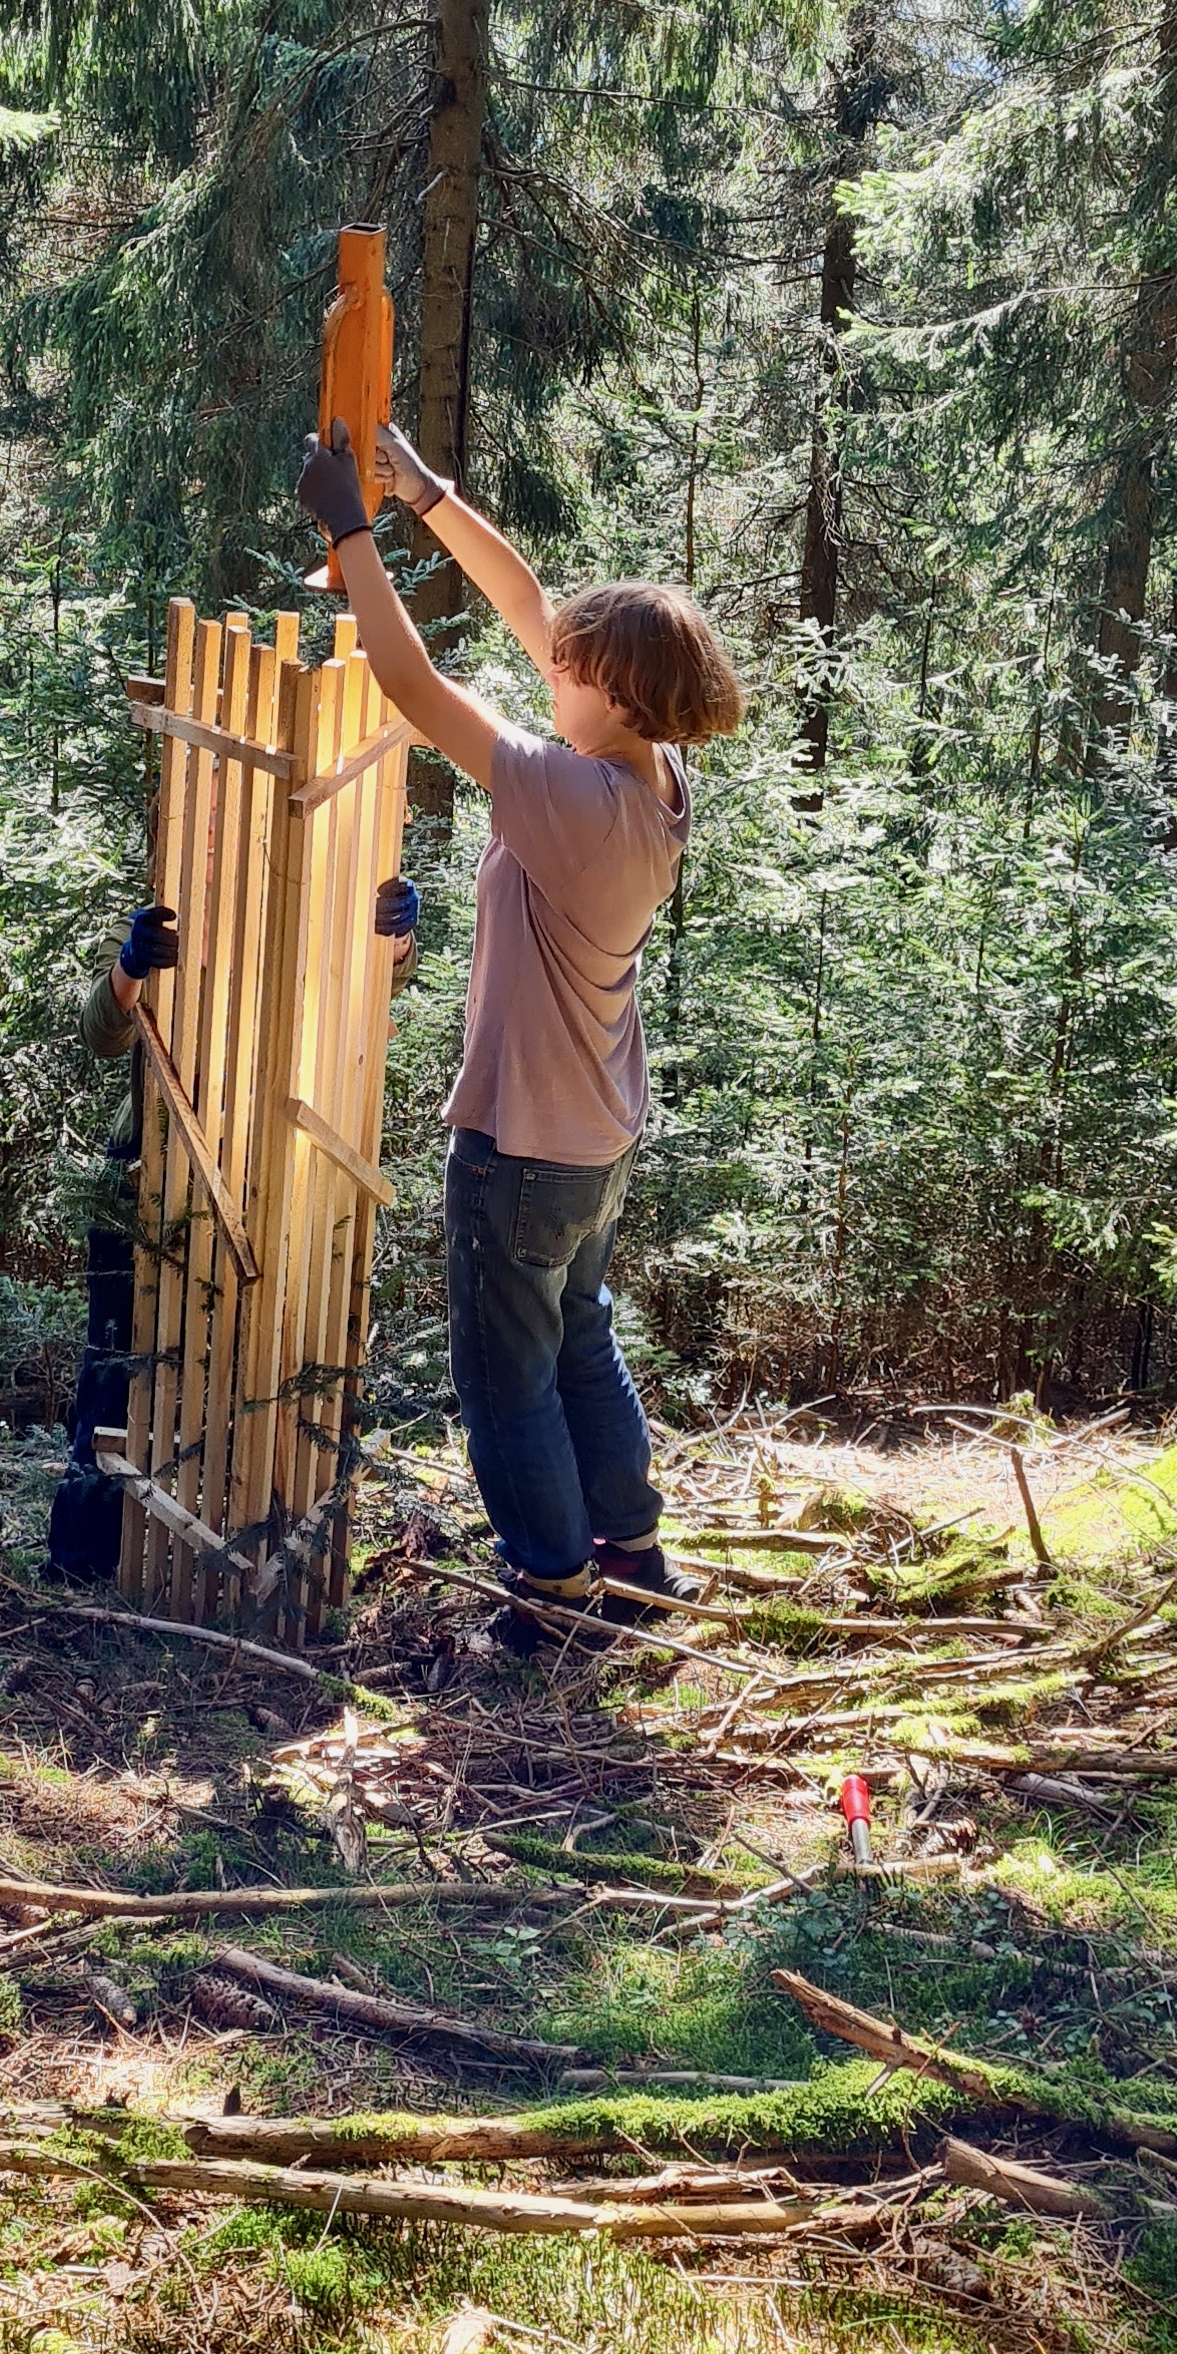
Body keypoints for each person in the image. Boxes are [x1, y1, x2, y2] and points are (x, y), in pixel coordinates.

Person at [296, 414, 744, 1647]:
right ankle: (634, 1557)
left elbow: (411, 686)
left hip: (522, 1144)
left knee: (507, 1382)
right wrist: (425, 491)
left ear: (615, 689)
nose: (549, 663)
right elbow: (530, 604)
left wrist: (350, 528)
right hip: (590, 1139)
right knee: (583, 1346)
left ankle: (550, 1595)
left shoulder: (567, 800)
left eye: (570, 663)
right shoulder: (649, 782)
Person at [45, 872, 420, 1580]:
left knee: (259, 1376)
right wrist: (132, 964)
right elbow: (102, 1030)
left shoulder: (313, 904)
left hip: (267, 1186)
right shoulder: (166, 901)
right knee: (115, 1369)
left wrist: (394, 939)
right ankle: (81, 1563)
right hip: (145, 1177)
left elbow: (375, 988)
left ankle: (239, 1556)